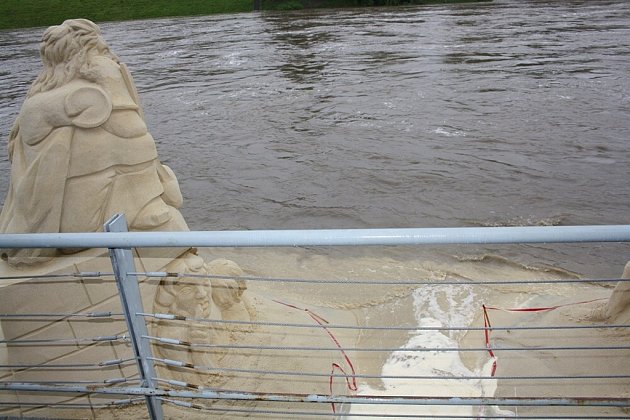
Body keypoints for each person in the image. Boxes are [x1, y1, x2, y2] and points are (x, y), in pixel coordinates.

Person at [0, 19, 187, 265]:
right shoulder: (65, 100)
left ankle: (143, 202)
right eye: (102, 51)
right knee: (119, 142)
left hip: (94, 204)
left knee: (115, 144)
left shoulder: (54, 95)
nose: (112, 57)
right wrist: (112, 81)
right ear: (79, 56)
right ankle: (141, 204)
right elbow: (132, 129)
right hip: (68, 220)